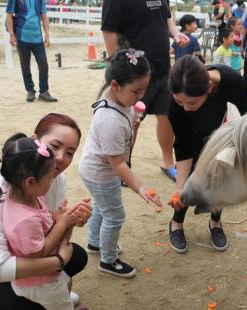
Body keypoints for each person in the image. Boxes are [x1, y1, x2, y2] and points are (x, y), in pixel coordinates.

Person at [0, 113, 91, 309]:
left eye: (70, 152)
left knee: (78, 256)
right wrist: (59, 261)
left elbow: (52, 231)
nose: (60, 158)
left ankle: (52, 292)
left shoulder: (55, 180)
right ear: (34, 141)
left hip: (31, 259)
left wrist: (70, 219)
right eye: (55, 146)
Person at [80, 49, 163, 278]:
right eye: (137, 90)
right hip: (101, 174)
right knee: (115, 216)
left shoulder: (119, 103)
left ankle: (95, 242)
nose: (141, 95)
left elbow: (126, 149)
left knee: (102, 207)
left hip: (95, 169)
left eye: (144, 88)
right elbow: (118, 163)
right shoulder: (110, 120)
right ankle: (108, 260)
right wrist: (140, 188)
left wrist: (134, 124)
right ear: (115, 86)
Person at [0, 134, 79, 309]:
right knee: (61, 306)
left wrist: (56, 215)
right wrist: (62, 224)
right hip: (40, 282)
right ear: (30, 182)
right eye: (49, 177)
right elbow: (39, 252)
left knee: (63, 290)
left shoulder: (27, 197)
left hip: (41, 277)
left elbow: (42, 214)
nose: (52, 181)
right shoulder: (24, 220)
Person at [167, 55, 247, 254]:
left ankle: (215, 222)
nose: (186, 108)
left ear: (209, 88)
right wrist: (180, 187)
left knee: (221, 179)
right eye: (180, 102)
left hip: (222, 137)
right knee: (187, 184)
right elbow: (183, 143)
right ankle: (176, 223)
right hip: (193, 140)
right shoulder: (175, 101)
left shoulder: (234, 83)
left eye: (192, 103)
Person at [101, 0, 190, 183]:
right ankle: (123, 166)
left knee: (167, 115)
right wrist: (118, 68)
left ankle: (167, 162)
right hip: (135, 73)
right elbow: (109, 30)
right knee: (131, 120)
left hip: (162, 68)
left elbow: (166, 17)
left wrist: (175, 34)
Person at [6, 0, 58, 102]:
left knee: (43, 64)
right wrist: (11, 35)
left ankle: (44, 92)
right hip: (21, 37)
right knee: (25, 65)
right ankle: (30, 90)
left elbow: (44, 16)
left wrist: (47, 35)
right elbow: (9, 15)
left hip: (37, 38)